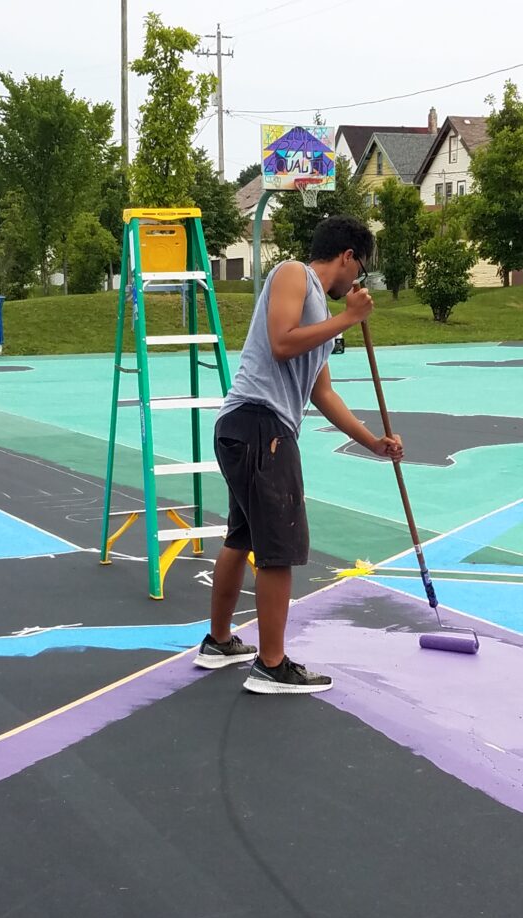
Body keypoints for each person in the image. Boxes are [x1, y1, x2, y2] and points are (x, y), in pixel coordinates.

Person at [194, 215, 404, 694]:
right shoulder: (294, 274)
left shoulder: (325, 322)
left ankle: (220, 641)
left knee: (242, 535)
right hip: (260, 424)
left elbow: (321, 393)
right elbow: (282, 342)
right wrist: (348, 319)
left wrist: (372, 440)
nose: (358, 281)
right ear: (347, 256)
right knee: (279, 548)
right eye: (361, 268)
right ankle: (272, 665)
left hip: (251, 428)